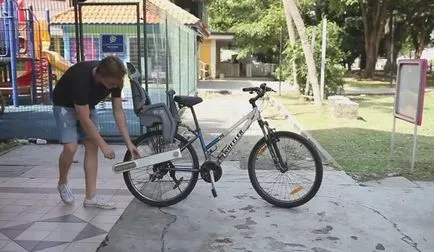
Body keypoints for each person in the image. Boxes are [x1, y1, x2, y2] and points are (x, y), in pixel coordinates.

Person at [52, 56, 139, 209]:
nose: (113, 87)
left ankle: (90, 197)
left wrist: (129, 143)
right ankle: (62, 183)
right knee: (70, 147)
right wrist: (104, 145)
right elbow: (84, 119)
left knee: (92, 146)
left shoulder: (116, 80)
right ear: (98, 75)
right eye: (110, 83)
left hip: (87, 104)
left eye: (116, 84)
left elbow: (118, 111)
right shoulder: (81, 79)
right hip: (64, 105)